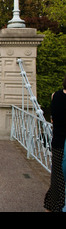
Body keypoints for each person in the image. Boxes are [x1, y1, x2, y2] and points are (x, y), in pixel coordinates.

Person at [44, 75, 66, 212]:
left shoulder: (55, 95)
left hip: (57, 141)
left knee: (57, 176)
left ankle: (52, 206)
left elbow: (53, 119)